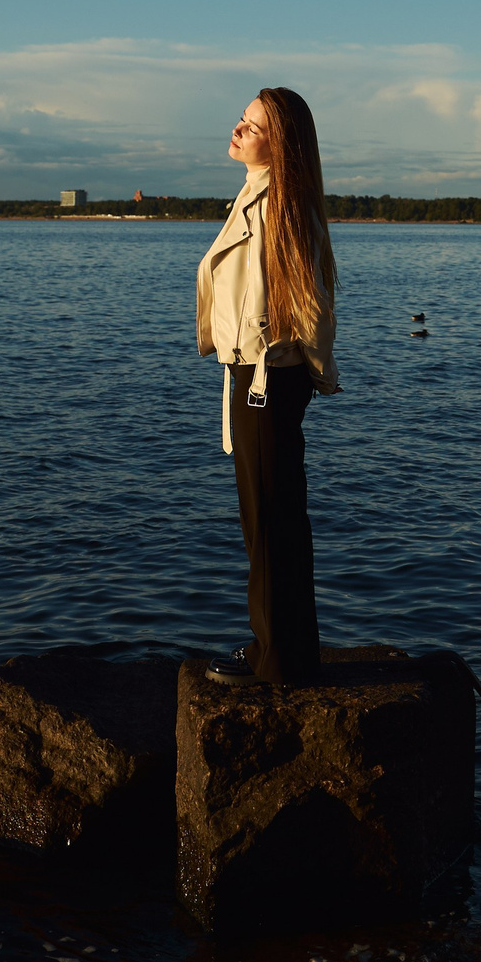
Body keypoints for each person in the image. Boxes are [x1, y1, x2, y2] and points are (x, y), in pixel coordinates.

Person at [193, 86, 339, 685]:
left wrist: (316, 372)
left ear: (280, 145)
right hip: (260, 375)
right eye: (241, 120)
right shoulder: (259, 194)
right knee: (274, 519)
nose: (237, 130)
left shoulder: (278, 205)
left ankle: (276, 660)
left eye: (251, 127)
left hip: (267, 379)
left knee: (270, 522)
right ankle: (286, 651)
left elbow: (311, 303)